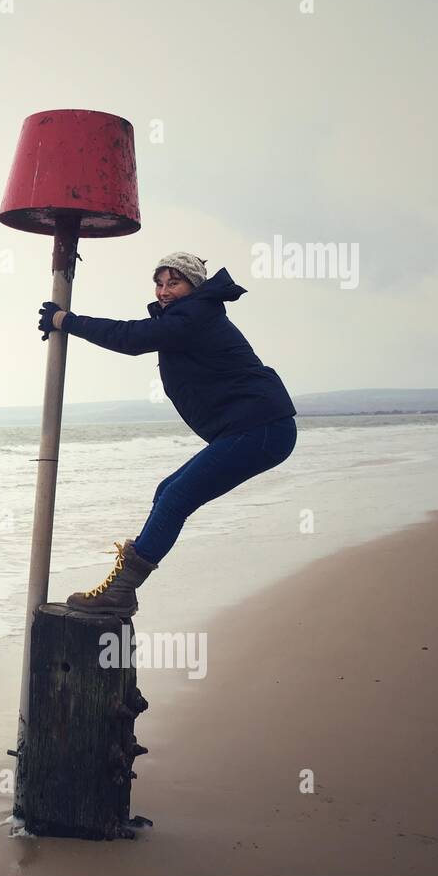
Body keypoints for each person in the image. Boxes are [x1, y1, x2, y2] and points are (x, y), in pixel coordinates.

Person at [36, 251, 297, 617]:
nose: (163, 291)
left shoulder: (195, 315)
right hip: (255, 427)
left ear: (194, 286)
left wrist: (67, 320)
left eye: (173, 282)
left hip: (261, 427)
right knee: (168, 491)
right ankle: (123, 591)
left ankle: (122, 591)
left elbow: (130, 337)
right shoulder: (190, 316)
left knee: (176, 496)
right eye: (159, 283)